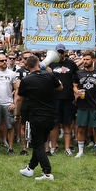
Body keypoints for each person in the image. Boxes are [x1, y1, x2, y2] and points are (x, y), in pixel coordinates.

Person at [16, 53, 56, 181]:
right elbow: (60, 87)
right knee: (40, 142)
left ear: (27, 67)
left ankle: (47, 173)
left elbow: (19, 99)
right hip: (50, 115)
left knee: (38, 146)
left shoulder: (26, 80)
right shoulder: (50, 75)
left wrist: (17, 114)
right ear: (39, 64)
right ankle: (30, 168)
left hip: (37, 116)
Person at [73, 50, 96, 159]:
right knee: (81, 128)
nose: (85, 61)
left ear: (93, 60)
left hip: (95, 104)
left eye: (87, 59)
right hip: (82, 104)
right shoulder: (79, 73)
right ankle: (80, 151)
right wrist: (76, 91)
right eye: (84, 59)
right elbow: (74, 86)